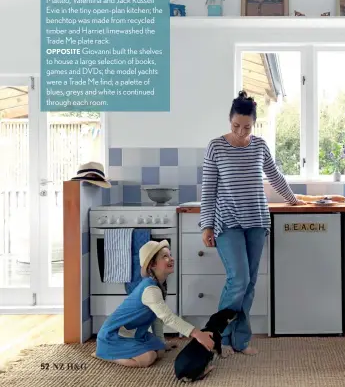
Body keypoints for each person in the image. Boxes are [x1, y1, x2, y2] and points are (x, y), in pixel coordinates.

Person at [200, 91, 305, 358]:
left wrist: (293, 200)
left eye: (247, 127)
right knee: (239, 279)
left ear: (254, 124)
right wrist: (207, 225)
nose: (241, 132)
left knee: (249, 283)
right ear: (229, 120)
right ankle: (217, 339)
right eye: (236, 126)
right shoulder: (216, 146)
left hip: (257, 221)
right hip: (228, 222)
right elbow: (209, 189)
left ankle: (240, 340)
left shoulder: (259, 145)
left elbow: (274, 175)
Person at [94, 240, 215, 371]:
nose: (171, 259)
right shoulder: (150, 290)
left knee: (160, 352)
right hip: (113, 335)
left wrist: (161, 343)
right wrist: (197, 333)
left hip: (133, 334)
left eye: (170, 255)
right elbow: (167, 317)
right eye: (165, 256)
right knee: (147, 358)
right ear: (152, 264)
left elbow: (156, 318)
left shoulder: (157, 286)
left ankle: (137, 347)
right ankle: (105, 355)